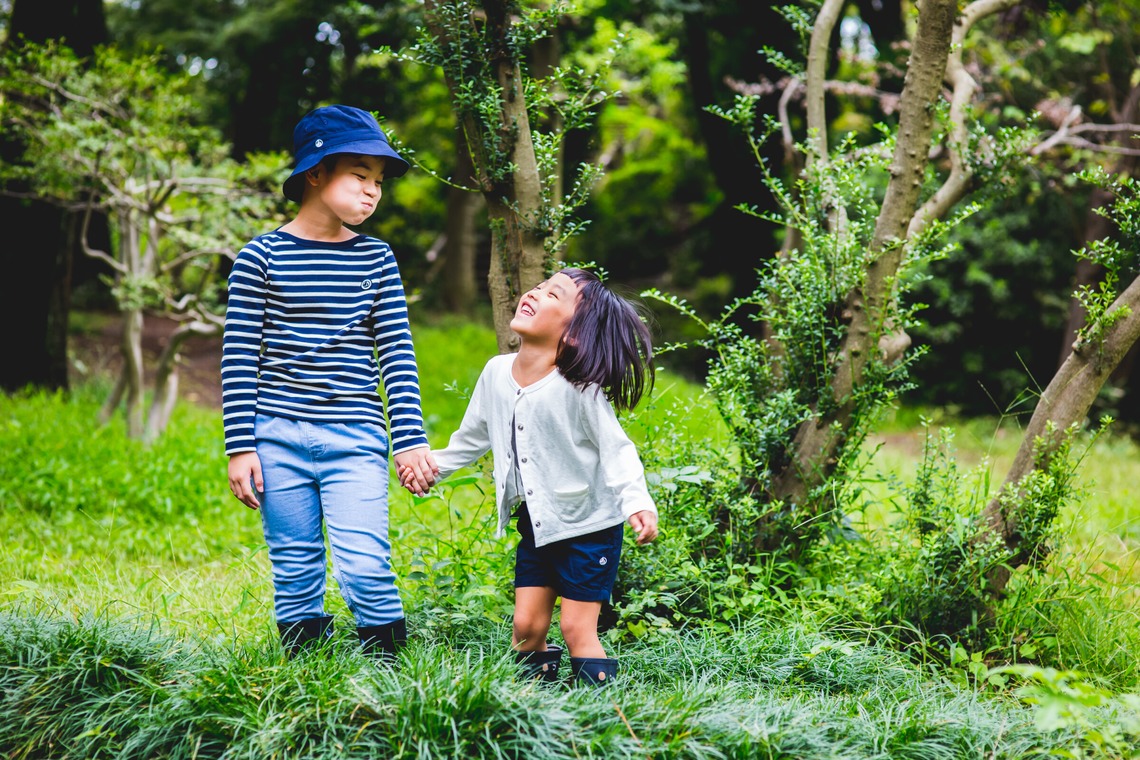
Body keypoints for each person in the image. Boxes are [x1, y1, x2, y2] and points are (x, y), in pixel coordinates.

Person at [222, 104, 438, 661]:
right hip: (276, 438)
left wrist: (410, 439)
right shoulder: (260, 257)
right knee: (294, 564)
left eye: (379, 182)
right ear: (315, 174)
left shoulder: (377, 259)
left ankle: (389, 681)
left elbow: (396, 352)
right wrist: (240, 446)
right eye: (359, 176)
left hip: (355, 438)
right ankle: (307, 681)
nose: (372, 192)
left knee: (365, 562)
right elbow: (240, 356)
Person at [402, 267, 658, 686]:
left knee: (577, 629)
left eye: (553, 295)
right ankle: (534, 702)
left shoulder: (580, 389)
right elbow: (471, 439)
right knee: (526, 628)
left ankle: (602, 712)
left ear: (574, 333)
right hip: (537, 524)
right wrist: (431, 468)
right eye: (538, 286)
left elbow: (618, 450)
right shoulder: (496, 372)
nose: (535, 293)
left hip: (589, 527)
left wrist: (637, 502)